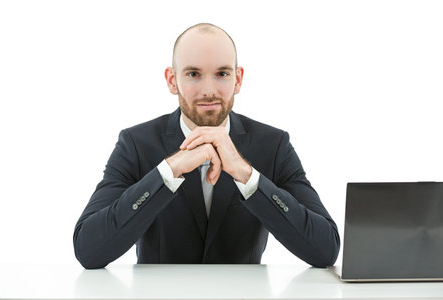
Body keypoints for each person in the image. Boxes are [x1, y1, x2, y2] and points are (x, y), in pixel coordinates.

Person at [73, 23, 340, 269]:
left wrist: (247, 176)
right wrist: (167, 171)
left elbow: (325, 249)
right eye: (193, 74)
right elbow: (88, 249)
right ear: (171, 80)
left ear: (237, 79)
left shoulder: (273, 145)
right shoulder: (135, 143)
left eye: (222, 73)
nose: (209, 90)